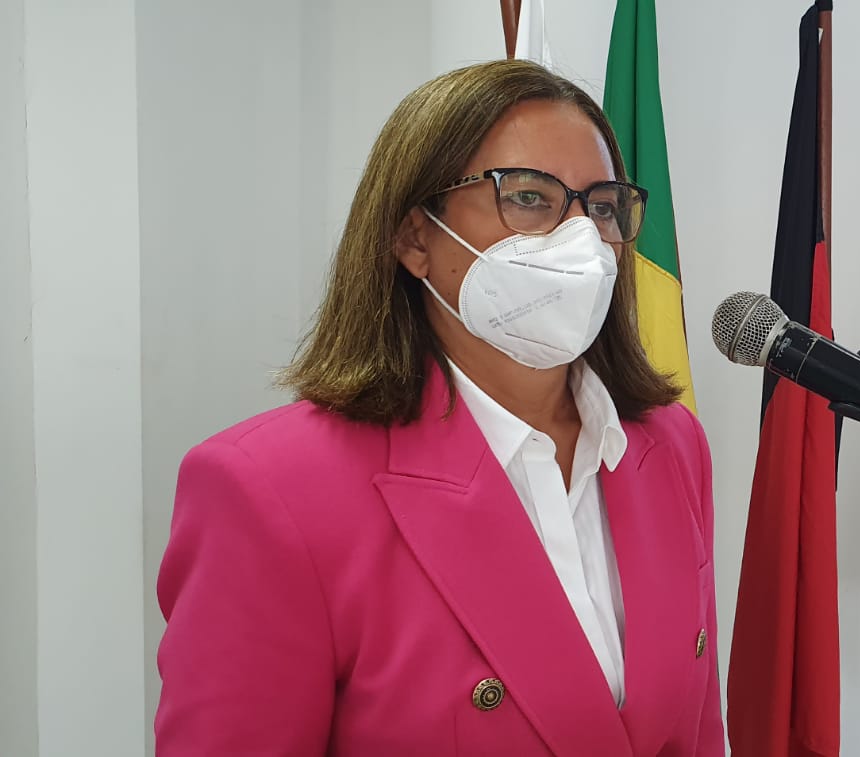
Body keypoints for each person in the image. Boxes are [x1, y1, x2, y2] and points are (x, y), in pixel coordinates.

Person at [154, 60, 723, 756]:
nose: (583, 240)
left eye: (602, 206)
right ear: (415, 238)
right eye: (529, 197)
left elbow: (696, 732)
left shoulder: (670, 445)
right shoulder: (268, 490)